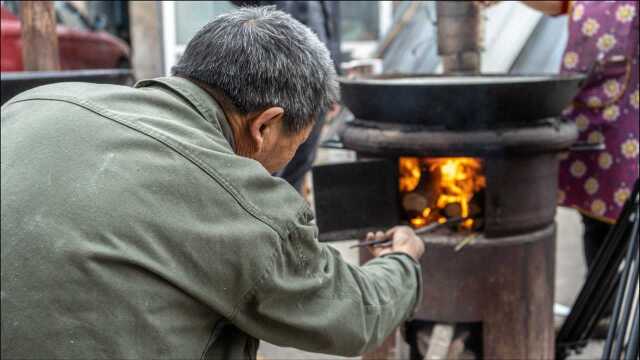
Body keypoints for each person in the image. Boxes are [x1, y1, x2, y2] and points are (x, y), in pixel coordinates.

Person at [0, 7, 424, 359]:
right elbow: (357, 315)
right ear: (265, 125)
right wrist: (404, 259)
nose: (292, 157)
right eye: (297, 142)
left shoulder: (33, 103)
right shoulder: (241, 202)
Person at [480, 0, 639, 269]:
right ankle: (601, 306)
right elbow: (556, 3)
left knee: (628, 227)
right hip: (587, 119)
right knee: (594, 225)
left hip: (628, 128)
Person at [233, 1, 341, 193]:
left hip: (318, 81)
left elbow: (331, 27)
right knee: (270, 162)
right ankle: (261, 216)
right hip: (277, 77)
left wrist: (334, 82)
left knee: (303, 159)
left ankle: (287, 218)